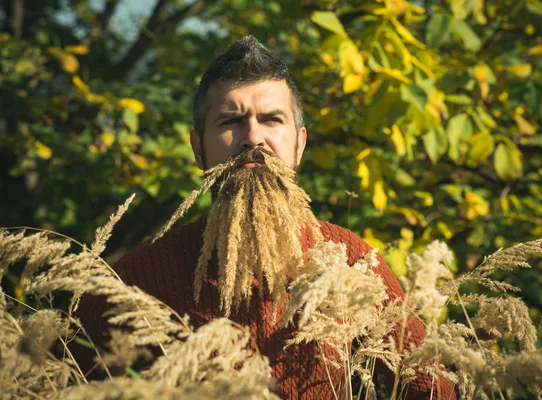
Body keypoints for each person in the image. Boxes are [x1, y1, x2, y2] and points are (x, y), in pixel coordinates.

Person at [73, 35, 456, 399]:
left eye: (272, 119)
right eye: (230, 122)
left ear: (300, 144)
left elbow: (433, 390)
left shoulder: (349, 260)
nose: (253, 137)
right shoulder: (136, 282)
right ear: (197, 147)